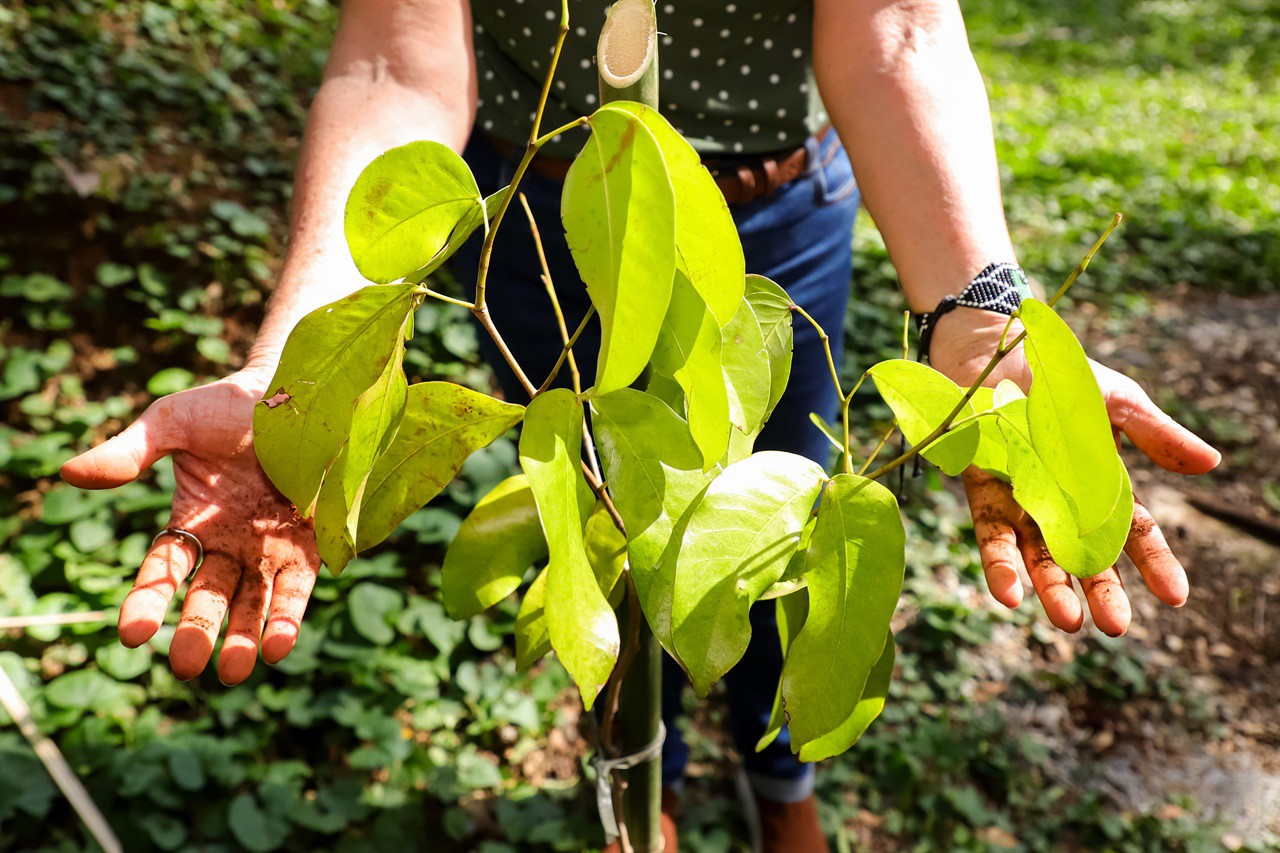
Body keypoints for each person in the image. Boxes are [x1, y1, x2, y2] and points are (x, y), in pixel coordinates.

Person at [59, 2, 1220, 850]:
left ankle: (781, 789)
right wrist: (300, 374)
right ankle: (635, 785)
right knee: (597, 530)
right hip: (535, 216)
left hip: (769, 220)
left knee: (777, 531)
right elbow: (390, 61)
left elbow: (896, 29)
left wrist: (981, 323)